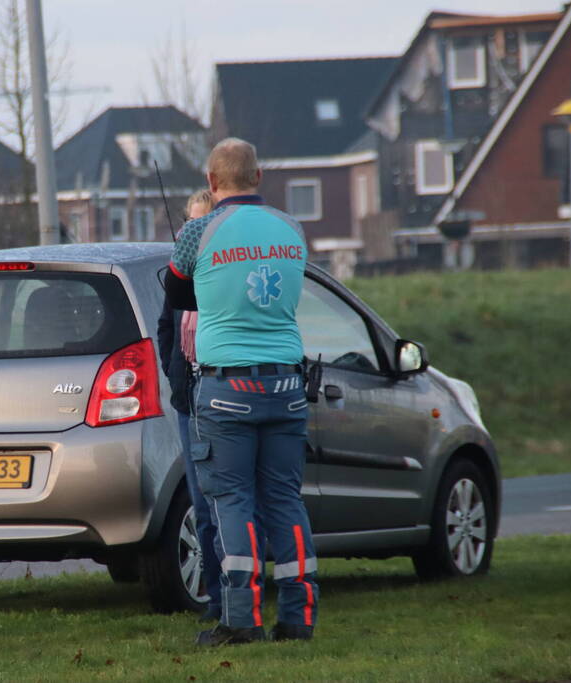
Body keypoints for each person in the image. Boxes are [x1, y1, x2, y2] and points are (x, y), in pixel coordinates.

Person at [165, 138, 318, 646]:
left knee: (231, 501)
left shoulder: (198, 230)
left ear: (211, 182)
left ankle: (240, 618)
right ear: (259, 177)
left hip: (227, 386)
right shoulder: (291, 230)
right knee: (284, 500)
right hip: (288, 384)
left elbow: (178, 293)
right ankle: (298, 616)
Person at [156, 189, 222, 621]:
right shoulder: (179, 279)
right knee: (201, 501)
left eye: (202, 227)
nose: (192, 237)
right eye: (188, 227)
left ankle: (234, 596)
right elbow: (166, 328)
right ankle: (216, 596)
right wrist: (175, 374)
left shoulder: (221, 276)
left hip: (221, 394)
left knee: (224, 498)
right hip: (188, 400)